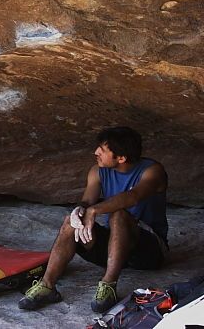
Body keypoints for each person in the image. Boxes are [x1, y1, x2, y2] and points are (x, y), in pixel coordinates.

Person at [18, 126, 169, 313]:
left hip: (148, 250)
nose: (95, 152)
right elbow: (87, 201)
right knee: (72, 221)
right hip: (113, 248)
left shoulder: (153, 171)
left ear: (121, 158)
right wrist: (80, 211)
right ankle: (47, 285)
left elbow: (132, 197)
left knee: (119, 214)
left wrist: (94, 211)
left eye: (103, 150)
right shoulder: (97, 171)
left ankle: (108, 286)